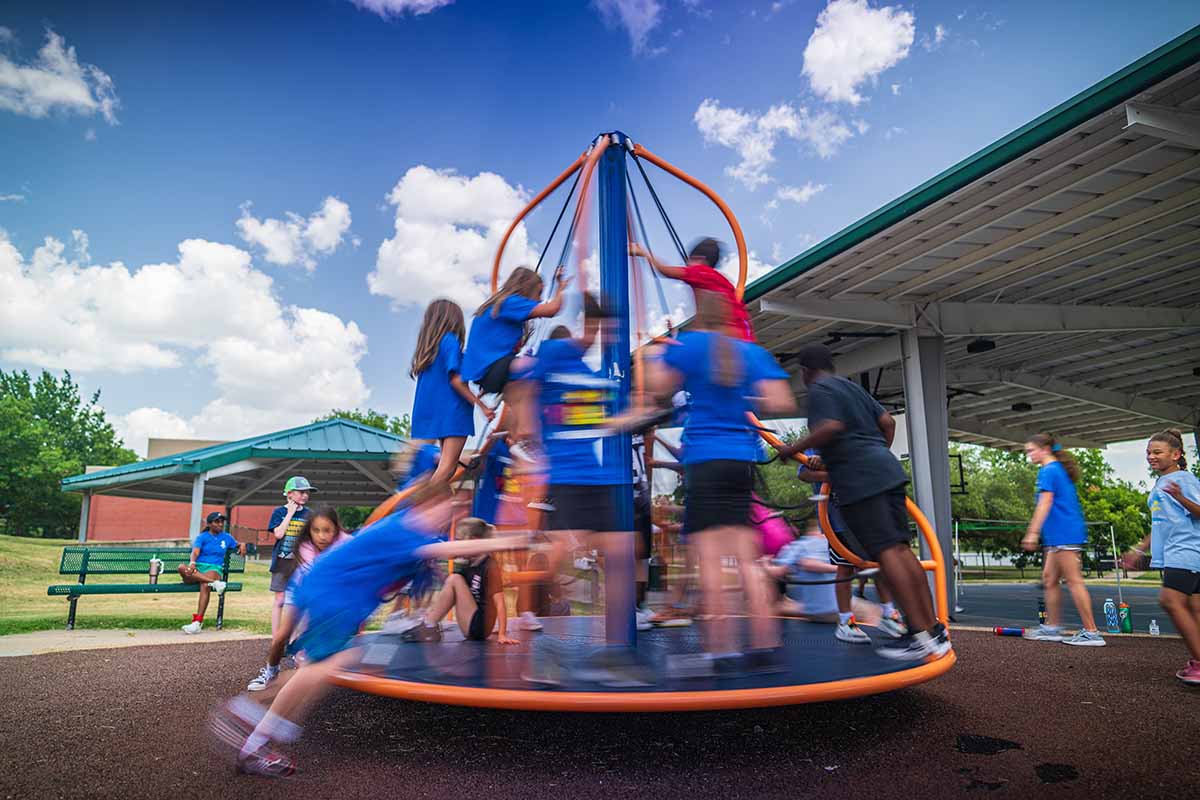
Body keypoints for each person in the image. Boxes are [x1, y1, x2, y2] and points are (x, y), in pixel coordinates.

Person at [211, 478, 526, 777]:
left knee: (321, 667)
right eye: (446, 509)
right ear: (426, 506)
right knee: (323, 667)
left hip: (334, 592)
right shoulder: (405, 531)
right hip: (334, 595)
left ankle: (253, 723)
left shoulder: (407, 526)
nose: (449, 516)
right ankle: (254, 737)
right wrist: (517, 540)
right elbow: (445, 551)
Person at [645, 290, 795, 671]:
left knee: (710, 560)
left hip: (706, 459)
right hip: (740, 461)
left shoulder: (692, 345)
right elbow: (781, 401)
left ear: (700, 317)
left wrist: (661, 357)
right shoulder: (750, 353)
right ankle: (765, 645)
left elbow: (658, 388)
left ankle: (721, 648)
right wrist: (741, 395)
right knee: (747, 557)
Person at [779, 344, 950, 662]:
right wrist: (873, 454)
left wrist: (794, 448)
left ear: (804, 372)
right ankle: (933, 631)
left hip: (861, 481)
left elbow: (831, 428)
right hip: (887, 470)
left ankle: (919, 634)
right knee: (900, 550)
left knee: (887, 554)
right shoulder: (851, 388)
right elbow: (888, 423)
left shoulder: (819, 390)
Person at [519, 294, 650, 685]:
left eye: (603, 330)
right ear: (580, 323)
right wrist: (530, 432)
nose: (597, 336)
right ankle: (548, 652)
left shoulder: (597, 377)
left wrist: (644, 411)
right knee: (557, 553)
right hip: (567, 476)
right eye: (594, 328)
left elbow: (614, 420)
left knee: (625, 553)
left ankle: (615, 652)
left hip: (601, 478)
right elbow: (525, 389)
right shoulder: (554, 352)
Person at [796, 451, 906, 643]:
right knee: (845, 568)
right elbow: (803, 473)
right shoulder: (819, 445)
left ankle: (888, 613)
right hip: (838, 522)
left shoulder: (851, 443)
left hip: (864, 517)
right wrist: (834, 474)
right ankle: (846, 621)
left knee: (879, 565)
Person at [1122, 429, 1200, 683]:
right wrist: (1139, 550)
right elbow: (1162, 523)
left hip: (1186, 551)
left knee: (1170, 601)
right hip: (1181, 553)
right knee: (1194, 609)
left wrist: (1180, 497)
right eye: (1148, 453)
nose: (1151, 457)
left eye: (1157, 452)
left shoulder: (1184, 479)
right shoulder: (1160, 483)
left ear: (1176, 454)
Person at [246, 507, 351, 692]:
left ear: (336, 530)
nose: (321, 536)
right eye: (316, 530)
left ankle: (307, 668)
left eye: (327, 530)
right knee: (281, 637)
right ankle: (271, 672)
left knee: (313, 634)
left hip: (326, 592)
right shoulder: (306, 546)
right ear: (309, 531)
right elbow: (318, 577)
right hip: (302, 590)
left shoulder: (345, 541)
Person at [1020, 433, 1105, 646]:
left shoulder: (1049, 470)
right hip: (1057, 535)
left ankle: (1092, 632)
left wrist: (1032, 532)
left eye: (1031, 450)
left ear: (1045, 449)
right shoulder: (1054, 469)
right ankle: (1052, 627)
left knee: (1074, 581)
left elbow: (1045, 503)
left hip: (1064, 533)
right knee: (1049, 579)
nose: (1029, 455)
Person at [410, 299, 495, 485]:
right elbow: (456, 380)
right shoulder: (450, 342)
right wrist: (482, 406)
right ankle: (419, 507)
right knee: (446, 469)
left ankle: (424, 502)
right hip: (453, 413)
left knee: (436, 469)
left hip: (432, 414)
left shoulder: (428, 352)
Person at [401, 517, 516, 645]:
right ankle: (430, 622)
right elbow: (449, 591)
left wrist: (502, 634)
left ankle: (429, 625)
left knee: (455, 578)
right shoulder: (469, 564)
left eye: (460, 541)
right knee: (454, 578)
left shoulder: (489, 566)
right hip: (471, 622)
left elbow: (500, 603)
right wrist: (436, 568)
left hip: (479, 627)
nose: (458, 546)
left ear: (473, 541)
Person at [461, 266, 567, 398]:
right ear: (527, 289)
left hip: (486, 374)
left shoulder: (500, 306)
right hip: (492, 370)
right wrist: (560, 287)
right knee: (544, 365)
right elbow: (553, 309)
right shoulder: (510, 302)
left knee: (523, 396)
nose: (540, 299)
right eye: (539, 293)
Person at [630, 238, 754, 342]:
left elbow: (663, 270)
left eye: (689, 261)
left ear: (700, 259)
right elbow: (709, 319)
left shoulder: (701, 271)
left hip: (732, 337)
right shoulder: (721, 282)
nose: (687, 265)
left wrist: (643, 253)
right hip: (744, 337)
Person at [266, 477, 316, 636]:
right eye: (301, 492)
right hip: (282, 562)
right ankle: (276, 638)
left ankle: (294, 639)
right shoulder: (279, 512)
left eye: (307, 493)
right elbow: (279, 534)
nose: (305, 496)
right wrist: (290, 513)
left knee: (298, 601)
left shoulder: (310, 514)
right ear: (289, 494)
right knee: (280, 600)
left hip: (300, 564)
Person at [180, 512, 246, 634]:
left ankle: (197, 623)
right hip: (199, 568)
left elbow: (237, 544)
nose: (220, 524)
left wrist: (242, 544)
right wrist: (193, 563)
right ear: (210, 524)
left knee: (205, 585)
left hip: (214, 568)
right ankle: (215, 583)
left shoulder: (227, 537)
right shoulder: (202, 537)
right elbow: (195, 551)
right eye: (217, 521)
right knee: (181, 568)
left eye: (222, 521)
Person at [764, 521, 839, 621]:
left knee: (786, 605)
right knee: (863, 611)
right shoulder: (825, 545)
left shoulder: (800, 546)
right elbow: (808, 564)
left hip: (822, 609)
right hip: (829, 609)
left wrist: (765, 563)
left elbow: (779, 571)